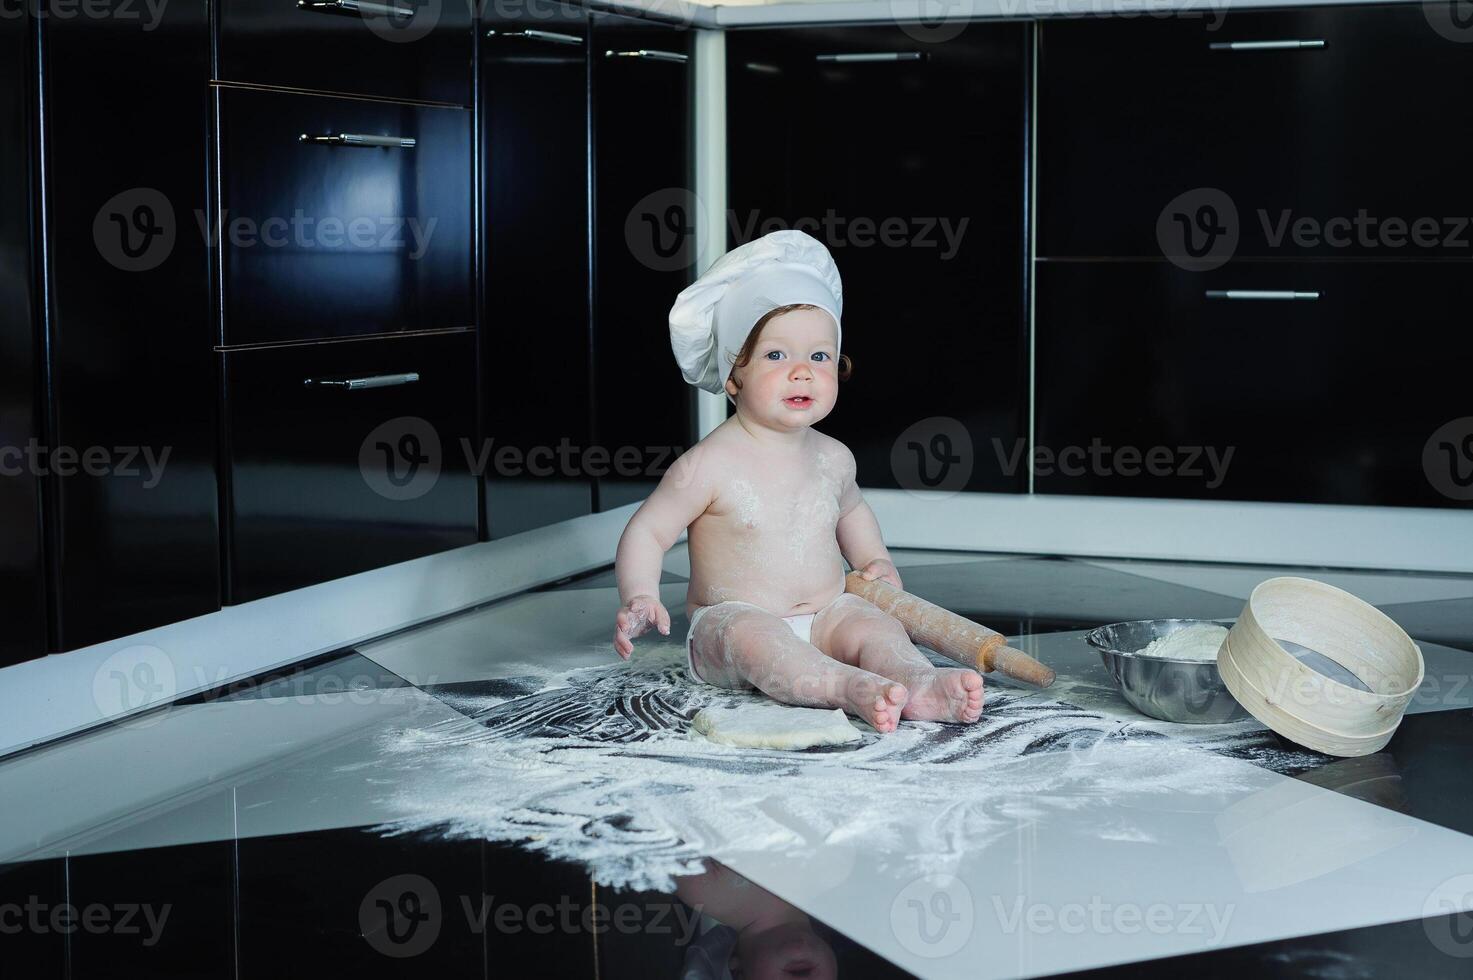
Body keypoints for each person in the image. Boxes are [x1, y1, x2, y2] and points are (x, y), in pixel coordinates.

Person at [612, 230, 982, 732]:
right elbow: (649, 531)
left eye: (820, 357)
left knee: (879, 629)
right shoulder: (709, 464)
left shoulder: (834, 458)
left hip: (827, 611)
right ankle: (843, 688)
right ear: (732, 376)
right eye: (776, 356)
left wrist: (876, 561)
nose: (802, 372)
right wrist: (641, 593)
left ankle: (916, 682)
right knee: (758, 641)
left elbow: (851, 512)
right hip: (730, 623)